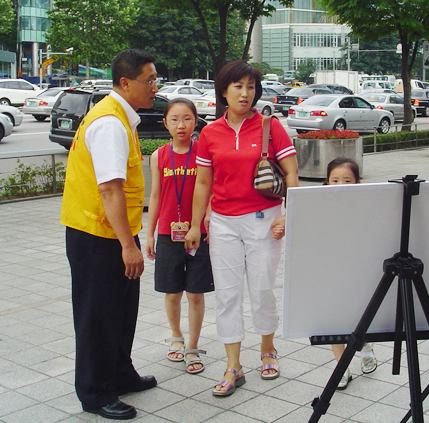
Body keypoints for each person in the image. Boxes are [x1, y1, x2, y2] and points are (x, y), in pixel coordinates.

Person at [184, 60, 298, 397]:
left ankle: (267, 349)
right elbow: (203, 182)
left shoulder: (269, 127)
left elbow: (292, 173)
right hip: (223, 223)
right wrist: (195, 224)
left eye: (250, 87)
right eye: (238, 87)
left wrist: (288, 214)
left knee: (262, 289)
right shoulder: (209, 133)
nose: (245, 93)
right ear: (223, 90)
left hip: (264, 219)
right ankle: (233, 365)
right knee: (227, 294)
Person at [60, 49, 159, 420]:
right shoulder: (109, 124)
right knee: (97, 315)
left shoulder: (121, 118)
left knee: (121, 310)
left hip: (111, 234)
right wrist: (128, 245)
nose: (155, 87)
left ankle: (119, 372)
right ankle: (95, 392)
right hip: (98, 237)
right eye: (149, 80)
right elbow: (110, 190)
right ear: (125, 83)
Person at [146, 98, 214, 374]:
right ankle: (176, 336)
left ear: (196, 121)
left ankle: (193, 346)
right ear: (165, 123)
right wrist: (149, 234)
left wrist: (206, 216)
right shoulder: (158, 155)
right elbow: (155, 195)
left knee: (195, 294)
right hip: (167, 234)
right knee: (172, 292)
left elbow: (211, 188)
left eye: (187, 118)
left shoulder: (203, 152)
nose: (181, 125)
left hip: (200, 234)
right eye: (174, 119)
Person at [323, 157, 378, 390]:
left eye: (346, 180)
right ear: (326, 182)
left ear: (357, 183)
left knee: (358, 313)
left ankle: (365, 346)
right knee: (333, 316)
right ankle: (341, 366)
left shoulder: (365, 206)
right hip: (330, 269)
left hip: (356, 270)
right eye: (334, 179)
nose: (340, 184)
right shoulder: (318, 203)